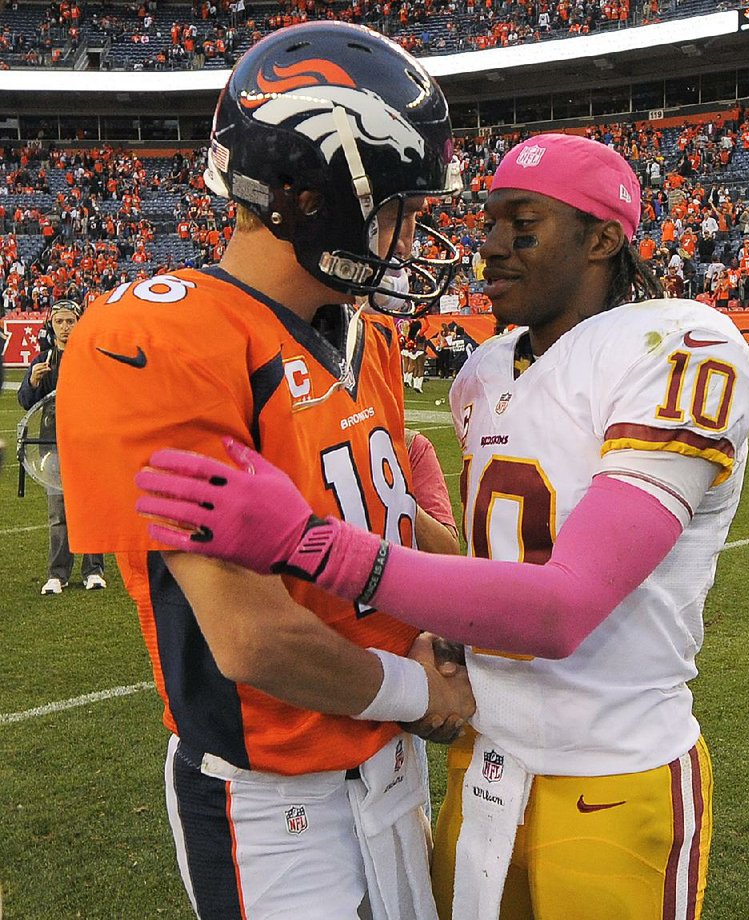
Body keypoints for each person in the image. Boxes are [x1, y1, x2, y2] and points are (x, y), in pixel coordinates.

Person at [137, 134, 749, 920]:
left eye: (522, 226)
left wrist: (308, 541)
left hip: (611, 765)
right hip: (484, 760)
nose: (489, 248)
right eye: (489, 223)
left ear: (603, 239)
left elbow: (560, 607)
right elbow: (494, 570)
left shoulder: (678, 346)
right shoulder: (483, 372)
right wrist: (425, 540)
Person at [56, 23, 473, 920]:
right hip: (277, 799)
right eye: (398, 206)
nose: (411, 234)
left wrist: (458, 596)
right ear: (317, 195)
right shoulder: (159, 337)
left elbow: (380, 532)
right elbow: (248, 638)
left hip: (388, 764)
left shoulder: (370, 332)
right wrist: (418, 692)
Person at [17, 300, 106, 595]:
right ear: (51, 326)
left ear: (79, 323)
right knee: (58, 513)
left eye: (70, 321)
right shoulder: (43, 359)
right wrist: (32, 380)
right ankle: (58, 574)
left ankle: (94, 570)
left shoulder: (92, 357)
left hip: (89, 445)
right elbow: (26, 402)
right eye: (60, 322)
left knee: (91, 509)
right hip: (52, 445)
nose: (66, 327)